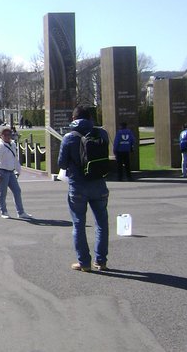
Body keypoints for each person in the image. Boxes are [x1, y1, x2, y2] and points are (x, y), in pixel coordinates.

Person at [58, 105, 110, 272]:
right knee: (102, 223)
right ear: (90, 118)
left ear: (74, 119)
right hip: (99, 183)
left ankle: (84, 262)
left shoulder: (69, 137)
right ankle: (101, 261)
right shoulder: (101, 133)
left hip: (78, 185)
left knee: (78, 224)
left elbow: (62, 163)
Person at [0, 126, 32, 219]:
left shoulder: (12, 144)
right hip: (2, 172)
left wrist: (18, 170)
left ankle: (21, 212)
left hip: (11, 172)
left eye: (9, 134)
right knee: (3, 192)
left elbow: (15, 158)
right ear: (1, 135)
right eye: (5, 134)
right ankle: (3, 211)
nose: (8, 136)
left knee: (17, 191)